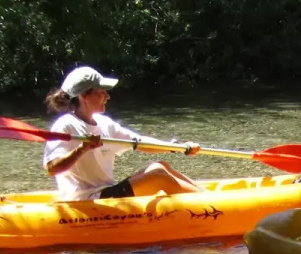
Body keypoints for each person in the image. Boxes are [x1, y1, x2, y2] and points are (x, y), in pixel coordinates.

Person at [44, 66, 206, 201]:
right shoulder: (64, 125)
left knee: (159, 166)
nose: (107, 96)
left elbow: (139, 142)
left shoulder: (103, 123)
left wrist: (175, 148)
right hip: (87, 199)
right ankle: (211, 206)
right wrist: (82, 149)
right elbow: (52, 168)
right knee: (159, 176)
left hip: (107, 192)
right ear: (84, 95)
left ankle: (209, 198)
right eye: (102, 92)